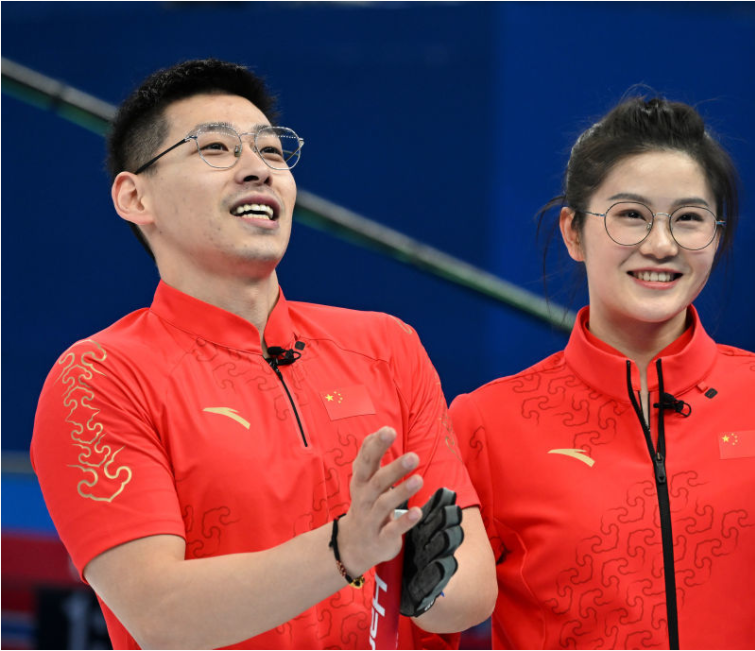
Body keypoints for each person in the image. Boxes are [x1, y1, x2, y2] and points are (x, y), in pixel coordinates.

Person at [31, 58, 496, 650]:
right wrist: (346, 549)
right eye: (215, 149)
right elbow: (161, 617)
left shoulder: (386, 347)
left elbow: (471, 590)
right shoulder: (101, 377)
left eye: (272, 152)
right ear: (134, 196)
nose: (258, 169)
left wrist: (413, 577)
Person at [449, 96, 755, 649]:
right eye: (631, 215)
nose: (661, 244)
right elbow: (427, 630)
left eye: (689, 218)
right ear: (573, 232)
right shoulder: (488, 424)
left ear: (716, 236)